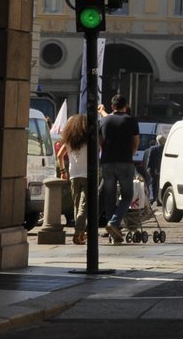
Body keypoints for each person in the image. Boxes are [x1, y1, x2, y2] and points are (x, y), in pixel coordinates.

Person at [96, 95, 140, 244]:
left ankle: (114, 232)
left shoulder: (103, 120)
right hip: (125, 161)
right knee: (127, 195)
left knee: (109, 195)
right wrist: (129, 154)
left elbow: (100, 142)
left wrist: (107, 152)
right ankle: (114, 223)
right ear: (126, 106)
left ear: (112, 106)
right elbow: (135, 143)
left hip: (107, 162)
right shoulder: (131, 120)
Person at [59, 114, 91, 245]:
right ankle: (78, 233)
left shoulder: (69, 140)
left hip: (73, 175)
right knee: (83, 205)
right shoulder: (88, 139)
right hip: (87, 175)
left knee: (77, 205)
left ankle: (80, 233)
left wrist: (63, 171)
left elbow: (59, 155)